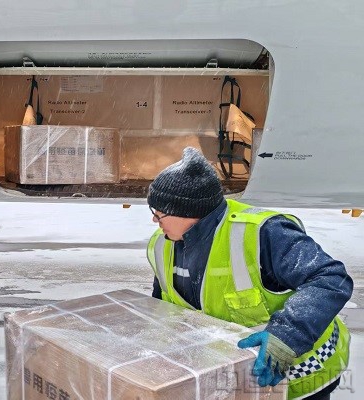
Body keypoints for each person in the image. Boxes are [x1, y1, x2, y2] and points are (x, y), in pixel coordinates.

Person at [146, 147, 352, 400]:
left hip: (300, 375)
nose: (155, 220)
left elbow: (330, 279)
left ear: (188, 211)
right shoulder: (162, 244)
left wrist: (287, 336)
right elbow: (163, 306)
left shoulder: (263, 233)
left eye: (159, 212)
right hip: (233, 381)